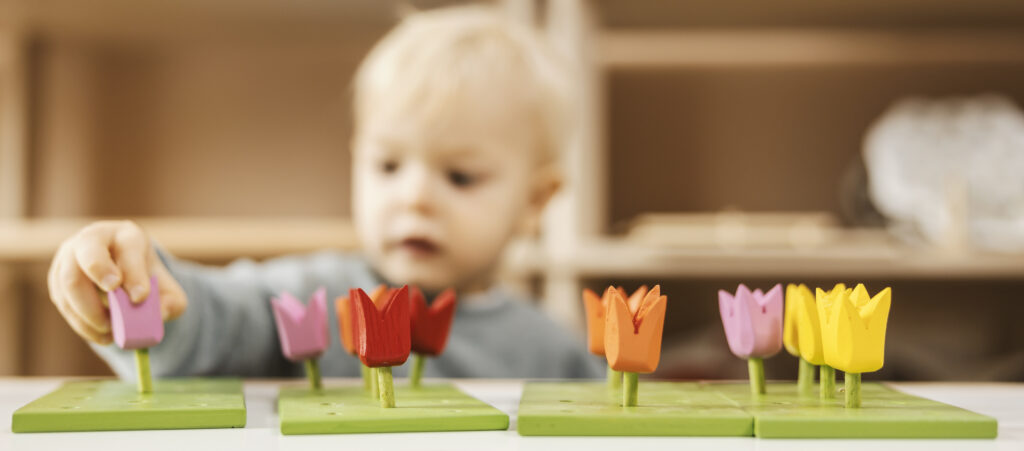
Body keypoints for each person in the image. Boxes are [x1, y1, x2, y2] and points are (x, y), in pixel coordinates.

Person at [45, 5, 603, 380]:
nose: (414, 198)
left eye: (459, 176)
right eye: (387, 166)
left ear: (535, 203)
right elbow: (220, 318)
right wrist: (148, 291)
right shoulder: (316, 293)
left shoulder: (553, 350)